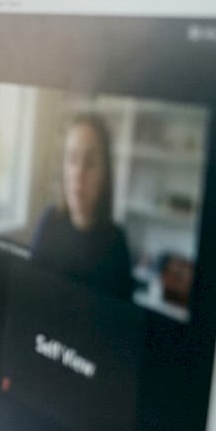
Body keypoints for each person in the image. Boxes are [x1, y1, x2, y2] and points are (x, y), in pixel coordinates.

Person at [30, 112, 134, 298]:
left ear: (104, 174)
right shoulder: (48, 223)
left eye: (90, 162)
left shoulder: (117, 244)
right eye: (72, 158)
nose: (78, 173)